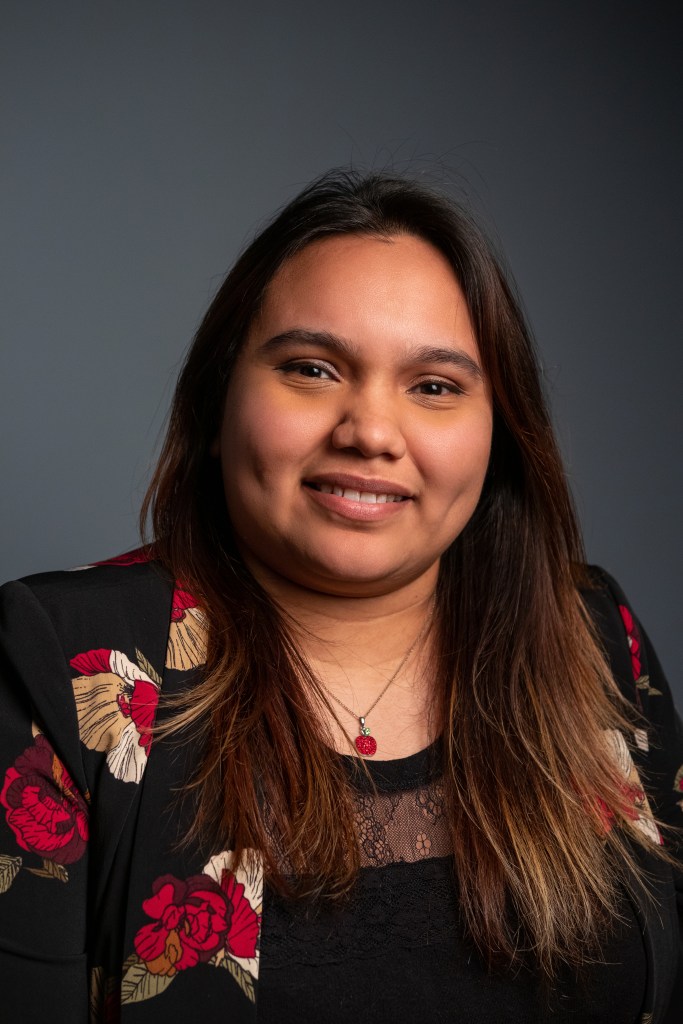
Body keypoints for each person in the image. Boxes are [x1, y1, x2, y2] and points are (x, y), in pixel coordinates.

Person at [0, 171, 681, 1024]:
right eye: (311, 369)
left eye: (434, 386)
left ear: (499, 434)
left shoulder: (595, 633)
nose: (370, 432)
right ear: (216, 404)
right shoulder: (65, 663)